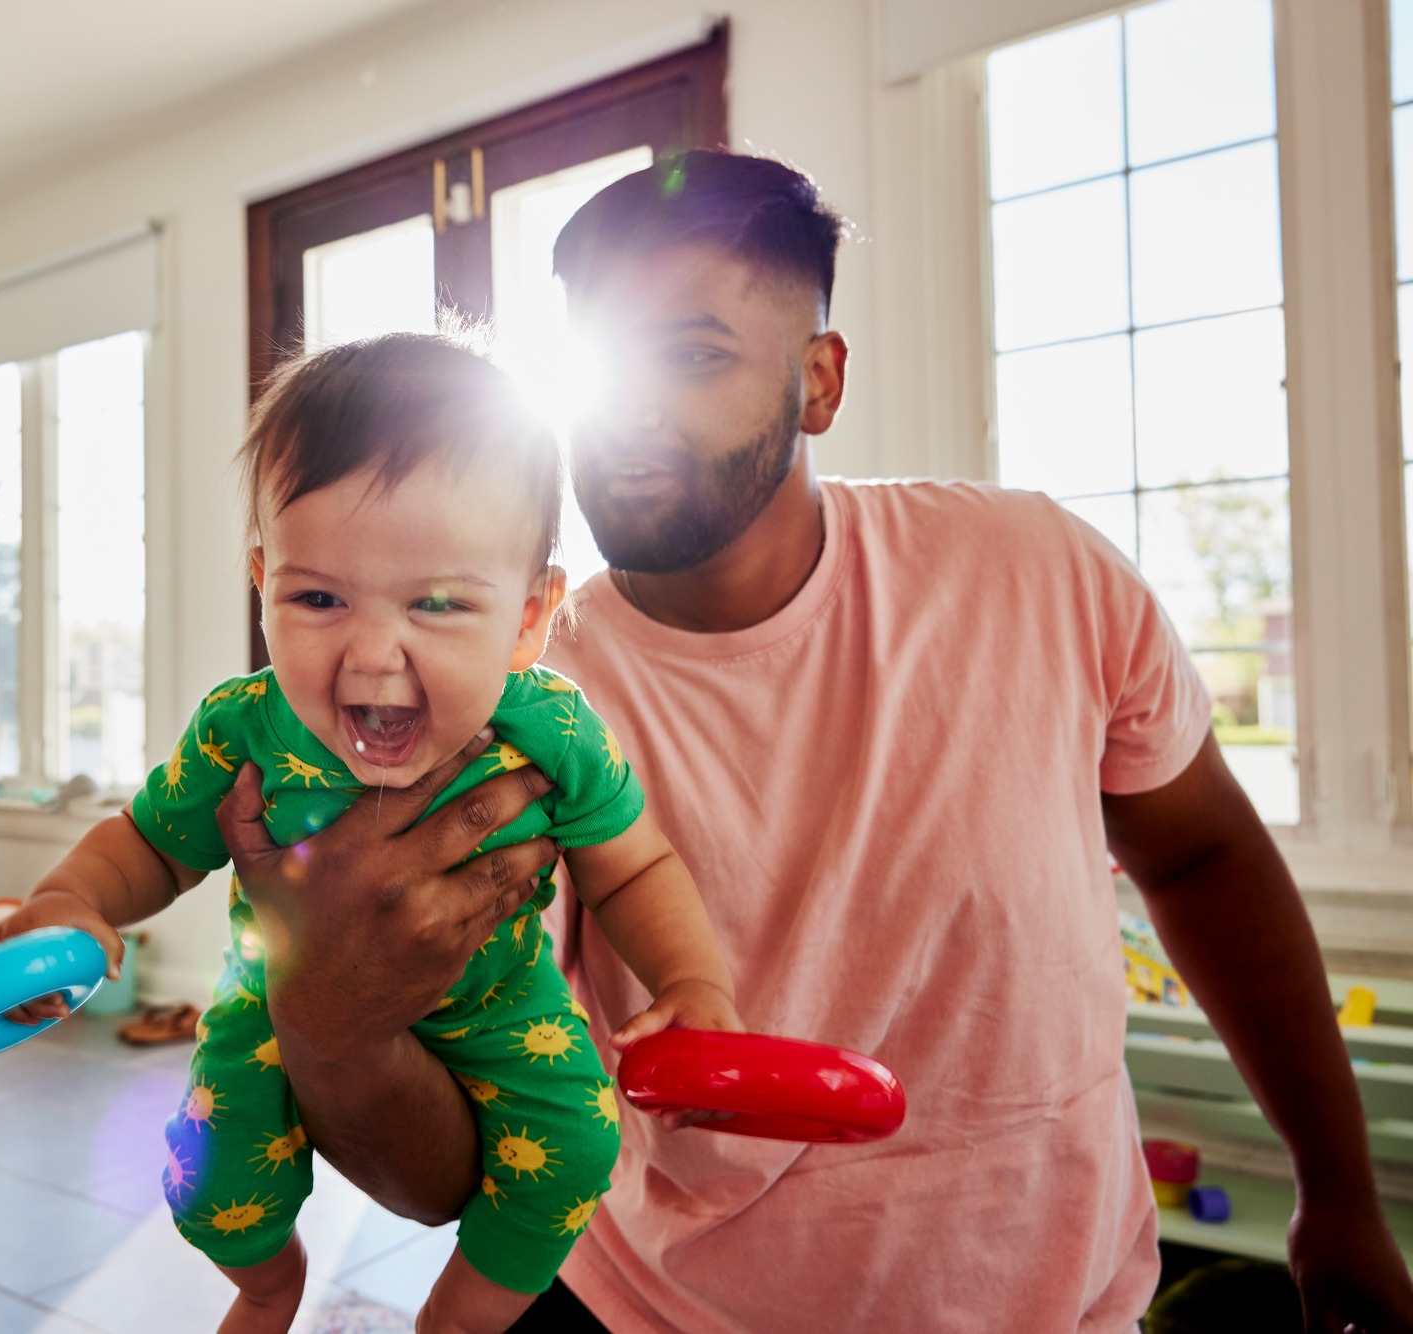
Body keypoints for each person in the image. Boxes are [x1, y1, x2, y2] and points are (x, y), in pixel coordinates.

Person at [208, 151, 1413, 1332]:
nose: (625, 404)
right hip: (659, 1300)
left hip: (1061, 1299)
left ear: (818, 381)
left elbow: (1199, 854)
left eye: (690, 354)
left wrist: (1339, 1187)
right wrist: (329, 1021)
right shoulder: (512, 703)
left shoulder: (1039, 574)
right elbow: (459, 1168)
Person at [0, 333, 742, 1334]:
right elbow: (148, 842)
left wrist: (694, 984)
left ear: (526, 617)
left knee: (579, 1142)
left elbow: (633, 866)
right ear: (263, 582)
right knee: (200, 1174)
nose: (373, 652)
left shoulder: (549, 729)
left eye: (435, 602)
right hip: (275, 997)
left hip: (502, 1010)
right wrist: (68, 902)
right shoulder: (242, 728)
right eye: (318, 597)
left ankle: (463, 1314)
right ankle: (264, 1282)